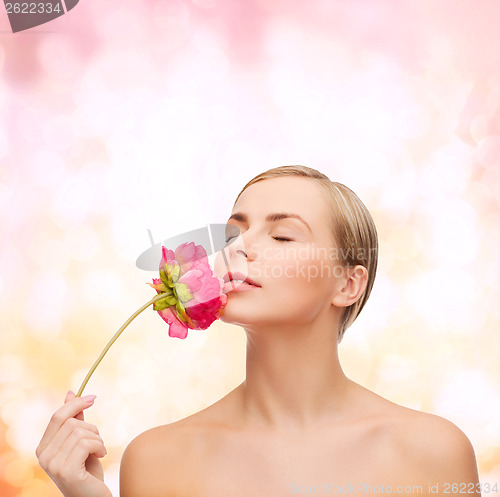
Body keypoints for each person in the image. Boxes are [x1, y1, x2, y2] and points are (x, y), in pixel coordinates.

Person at [36, 165, 481, 496]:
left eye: (283, 236)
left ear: (348, 284)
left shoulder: (432, 452)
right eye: (233, 235)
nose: (240, 248)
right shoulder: (156, 460)